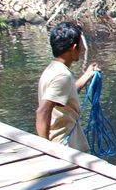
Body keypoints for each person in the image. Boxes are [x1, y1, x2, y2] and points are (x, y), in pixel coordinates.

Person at [35, 21, 98, 151]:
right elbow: (43, 111)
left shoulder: (52, 69)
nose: (81, 50)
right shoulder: (63, 75)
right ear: (73, 48)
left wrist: (87, 75)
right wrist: (46, 149)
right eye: (80, 46)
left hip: (63, 143)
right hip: (64, 145)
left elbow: (65, 94)